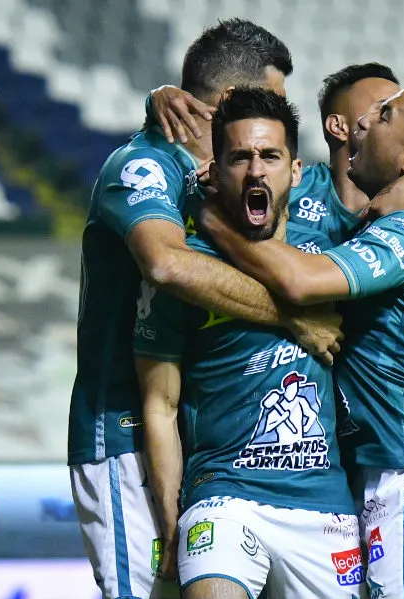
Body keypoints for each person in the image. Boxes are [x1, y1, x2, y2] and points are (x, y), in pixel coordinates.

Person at [68, 20, 343, 599]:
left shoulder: (220, 181)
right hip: (125, 433)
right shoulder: (143, 167)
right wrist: (290, 315)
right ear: (223, 105)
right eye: (269, 99)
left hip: (202, 441)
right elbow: (167, 266)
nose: (271, 117)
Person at [201, 73, 404, 599]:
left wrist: (211, 220)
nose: (365, 120)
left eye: (384, 115)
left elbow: (299, 280)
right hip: (378, 471)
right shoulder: (375, 212)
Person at [136, 88, 364, 599]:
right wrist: (172, 524)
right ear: (214, 173)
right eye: (240, 156)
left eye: (270, 156)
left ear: (297, 170)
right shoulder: (188, 271)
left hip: (324, 506)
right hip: (224, 498)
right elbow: (160, 403)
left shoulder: (330, 253)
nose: (256, 170)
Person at [150, 64, 404, 248]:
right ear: (339, 126)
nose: (375, 118)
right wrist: (157, 100)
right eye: (381, 108)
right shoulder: (293, 183)